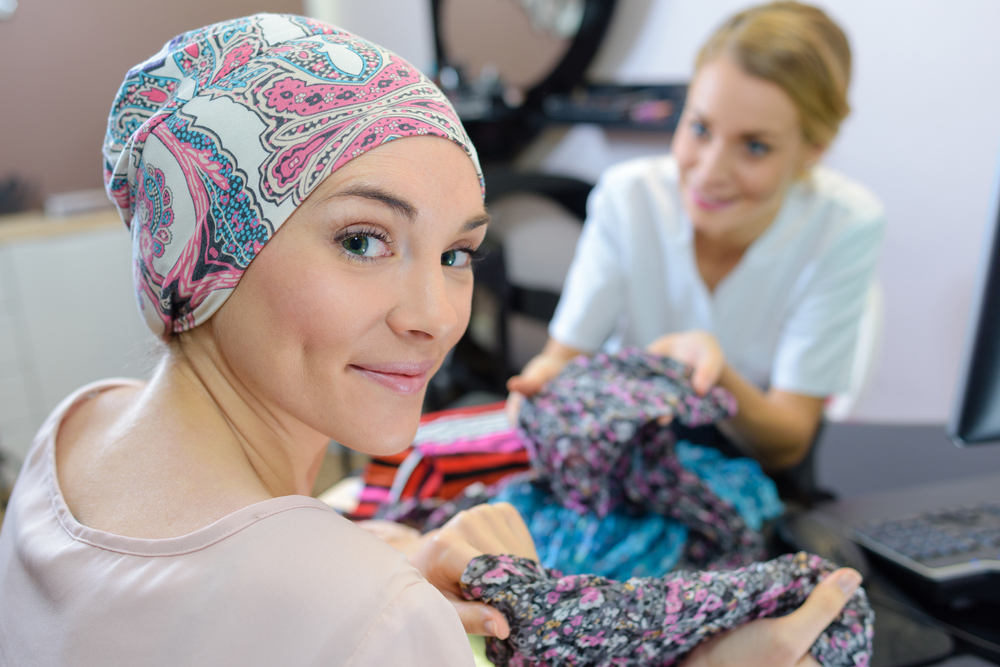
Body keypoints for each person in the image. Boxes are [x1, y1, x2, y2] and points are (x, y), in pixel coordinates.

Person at [0, 13, 861, 667]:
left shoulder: (73, 431)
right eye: (363, 240)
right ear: (207, 249)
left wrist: (390, 566)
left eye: (456, 253)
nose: (436, 315)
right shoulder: (369, 617)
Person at [508, 1, 886, 473]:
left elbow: (789, 440)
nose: (710, 172)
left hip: (756, 473)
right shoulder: (629, 199)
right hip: (627, 464)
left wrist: (712, 375)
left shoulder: (845, 226)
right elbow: (562, 357)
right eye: (700, 128)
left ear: (813, 149)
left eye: (754, 147)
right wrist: (542, 383)